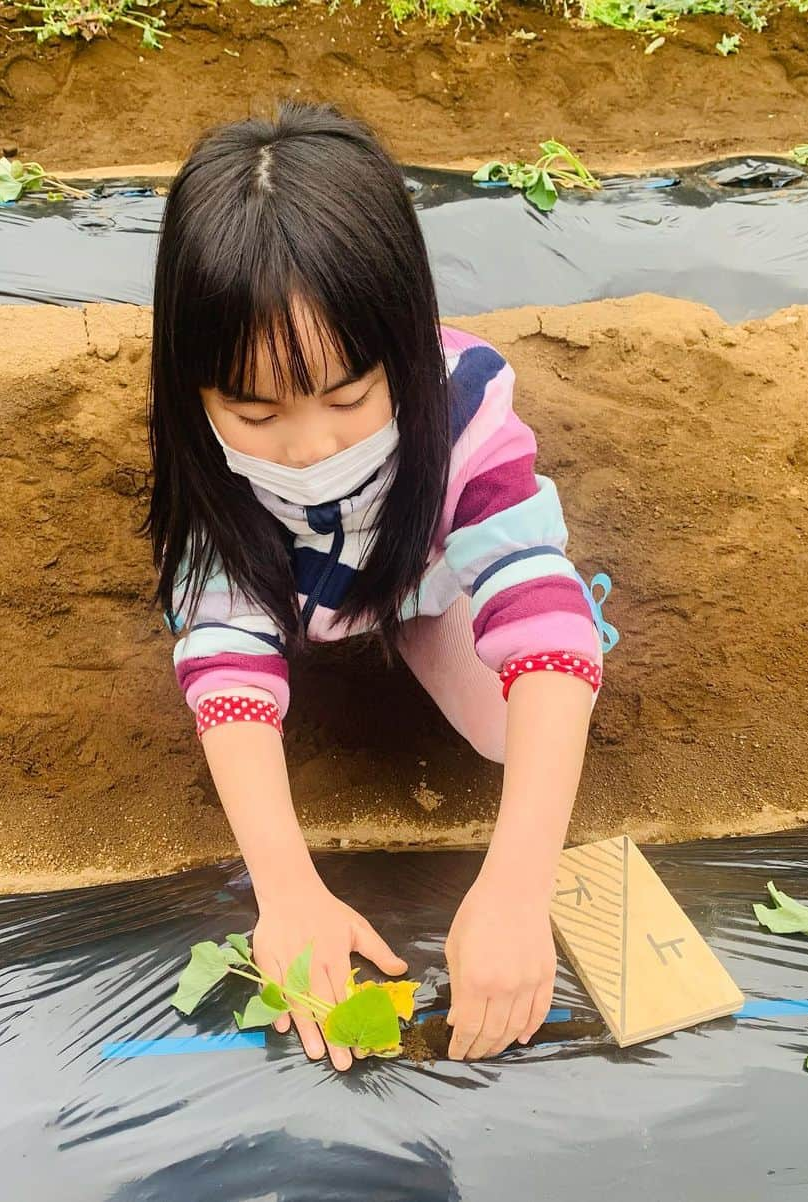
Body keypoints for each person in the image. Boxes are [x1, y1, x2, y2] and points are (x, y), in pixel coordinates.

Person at [140, 99, 613, 1071]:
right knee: (251, 680)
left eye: (350, 398)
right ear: (194, 388)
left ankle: (400, 622)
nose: (309, 445)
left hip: (416, 581)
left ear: (401, 346)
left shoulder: (466, 405)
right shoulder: (205, 460)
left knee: (505, 723)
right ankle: (347, 619)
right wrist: (287, 891)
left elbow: (541, 611)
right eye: (255, 409)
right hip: (294, 597)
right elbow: (225, 650)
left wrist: (519, 890)